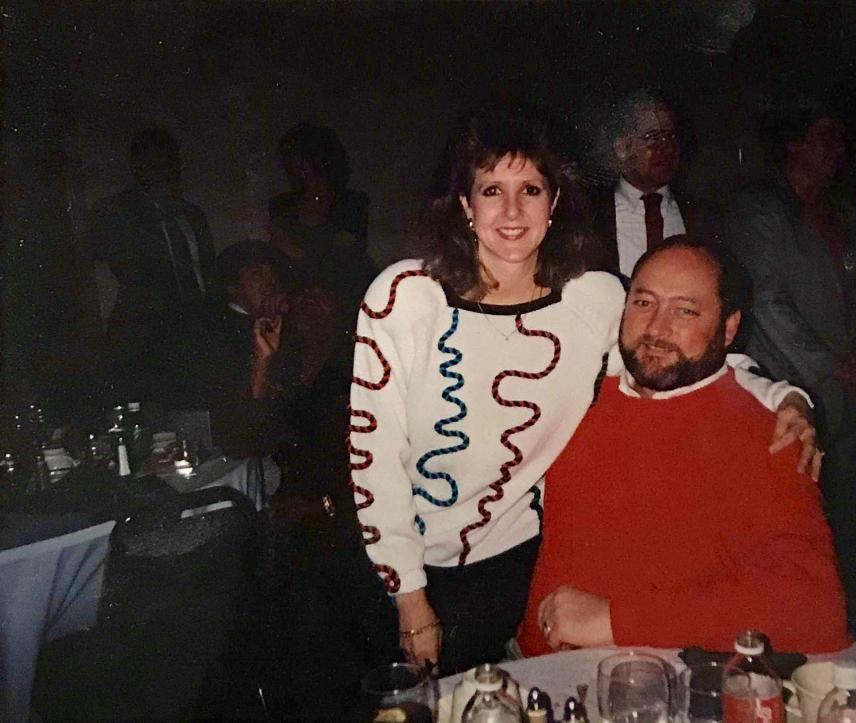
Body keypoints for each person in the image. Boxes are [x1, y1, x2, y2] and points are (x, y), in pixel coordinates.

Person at [349, 104, 820, 674]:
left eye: (531, 188)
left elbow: (670, 353)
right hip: (404, 578)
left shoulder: (592, 300)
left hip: (519, 570)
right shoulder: (404, 297)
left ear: (554, 203)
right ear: (465, 206)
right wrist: (412, 604)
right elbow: (373, 460)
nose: (513, 210)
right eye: (491, 190)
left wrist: (784, 397)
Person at [518, 237, 850, 656]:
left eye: (685, 310)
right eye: (644, 303)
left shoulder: (773, 429)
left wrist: (614, 620)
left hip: (666, 681)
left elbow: (814, 608)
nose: (657, 329)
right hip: (532, 674)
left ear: (729, 328)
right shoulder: (577, 394)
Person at [725, 88, 856, 634]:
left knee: (841, 518)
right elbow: (766, 299)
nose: (835, 149)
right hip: (784, 383)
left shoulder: (842, 213)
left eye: (839, 138)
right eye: (822, 137)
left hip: (842, 390)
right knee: (788, 522)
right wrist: (830, 364)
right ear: (792, 143)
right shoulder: (764, 210)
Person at [87, 127, 216, 407]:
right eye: (150, 161)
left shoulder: (191, 214)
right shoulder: (118, 210)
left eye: (166, 161)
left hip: (194, 331)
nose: (159, 169)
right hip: (144, 334)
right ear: (136, 166)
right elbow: (109, 261)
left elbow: (207, 271)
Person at [590, 88, 718, 278]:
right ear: (622, 148)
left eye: (670, 137)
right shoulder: (590, 213)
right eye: (652, 138)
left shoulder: (702, 216)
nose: (666, 148)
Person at [204, 240, 292, 458]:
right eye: (257, 274)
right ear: (232, 286)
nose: (270, 282)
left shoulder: (279, 324)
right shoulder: (217, 332)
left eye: (273, 275)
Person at [268, 123, 376, 297]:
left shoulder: (352, 203)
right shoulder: (281, 205)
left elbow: (346, 258)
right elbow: (278, 258)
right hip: (296, 294)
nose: (288, 165)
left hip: (340, 294)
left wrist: (298, 256)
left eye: (295, 157)